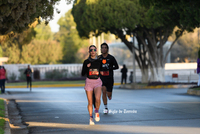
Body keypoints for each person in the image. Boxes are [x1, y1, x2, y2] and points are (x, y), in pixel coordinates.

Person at [81, 45, 102, 125]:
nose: (93, 51)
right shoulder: (86, 62)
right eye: (91, 50)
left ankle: (96, 111)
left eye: (94, 49)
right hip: (89, 82)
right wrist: (87, 67)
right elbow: (83, 73)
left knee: (97, 99)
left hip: (97, 81)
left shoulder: (99, 61)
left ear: (96, 50)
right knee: (90, 102)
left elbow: (102, 70)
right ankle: (91, 118)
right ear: (89, 52)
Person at [99, 43, 119, 114]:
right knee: (103, 91)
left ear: (107, 49)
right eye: (102, 48)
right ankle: (106, 107)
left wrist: (110, 68)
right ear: (101, 49)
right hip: (102, 78)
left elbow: (117, 66)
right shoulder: (99, 58)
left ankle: (109, 95)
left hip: (109, 78)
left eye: (105, 48)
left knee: (108, 94)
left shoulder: (111, 58)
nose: (104, 49)